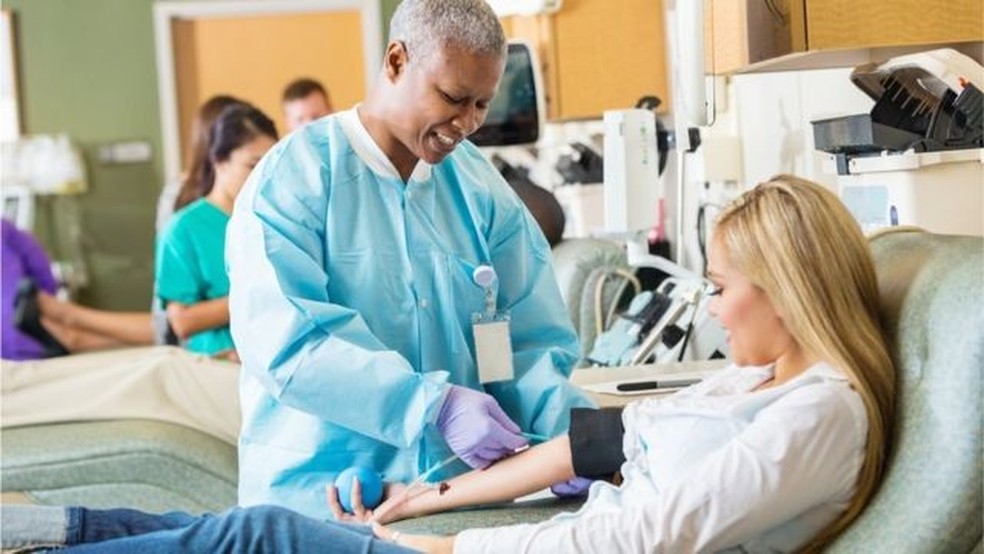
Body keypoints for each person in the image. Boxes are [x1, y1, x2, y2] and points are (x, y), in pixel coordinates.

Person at [0, 175, 898, 553]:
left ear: (784, 290)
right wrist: (423, 500)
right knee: (249, 532)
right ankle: (39, 531)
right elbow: (593, 446)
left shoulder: (821, 416)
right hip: (531, 535)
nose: (709, 303)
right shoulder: (751, 382)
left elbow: (634, 538)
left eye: (723, 284)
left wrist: (457, 551)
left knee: (258, 536)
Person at [226, 0, 594, 520]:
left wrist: (572, 436)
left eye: (482, 104)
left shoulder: (478, 188)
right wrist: (430, 405)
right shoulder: (294, 179)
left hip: (455, 497)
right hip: (319, 496)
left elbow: (527, 339)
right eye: (453, 97)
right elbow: (288, 345)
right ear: (396, 61)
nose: (466, 123)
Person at [156, 103, 277, 361]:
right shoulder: (183, 229)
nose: (261, 177)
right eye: (252, 166)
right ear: (219, 162)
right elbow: (182, 321)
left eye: (269, 166)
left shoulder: (273, 219)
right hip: (218, 366)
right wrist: (264, 292)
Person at [2, 219, 154, 359]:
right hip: (33, 313)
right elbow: (38, 265)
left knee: (75, 338)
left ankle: (68, 326)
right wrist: (46, 302)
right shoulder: (4, 228)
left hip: (17, 350)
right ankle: (68, 320)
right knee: (170, 325)